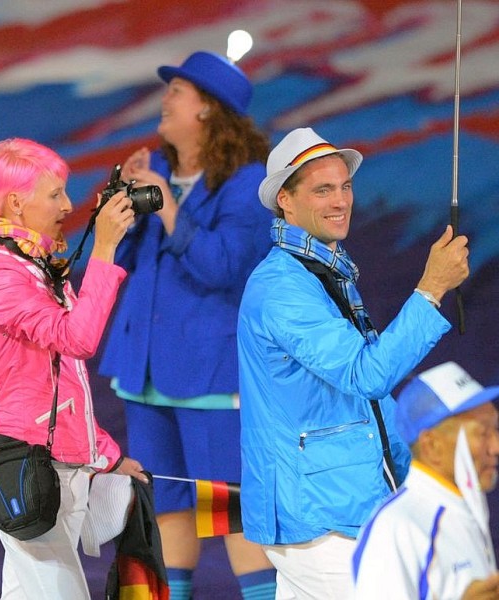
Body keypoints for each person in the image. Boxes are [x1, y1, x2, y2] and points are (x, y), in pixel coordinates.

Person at [237, 126, 470, 598]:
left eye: (345, 186)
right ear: (285, 199)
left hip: (330, 505)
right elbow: (367, 375)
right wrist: (430, 290)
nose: (340, 200)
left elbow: (360, 398)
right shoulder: (283, 286)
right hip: (322, 517)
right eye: (322, 189)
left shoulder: (319, 269)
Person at [97, 50, 277, 599]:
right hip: (146, 369)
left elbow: (222, 266)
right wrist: (121, 205)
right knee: (164, 503)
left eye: (178, 91)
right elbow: (118, 261)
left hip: (210, 376)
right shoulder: (158, 171)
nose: (165, 99)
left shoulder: (248, 185)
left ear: (207, 110)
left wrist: (170, 206)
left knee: (229, 506)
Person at [0, 137, 149, 599]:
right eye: (54, 195)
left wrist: (106, 454)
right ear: (16, 202)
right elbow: (78, 339)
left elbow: (66, 383)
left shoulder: (36, 266)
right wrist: (104, 248)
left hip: (60, 462)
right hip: (28, 467)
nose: (69, 205)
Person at [353, 361, 499, 599]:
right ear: (432, 445)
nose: (496, 447)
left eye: (496, 429)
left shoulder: (469, 504)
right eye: (482, 433)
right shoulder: (396, 527)